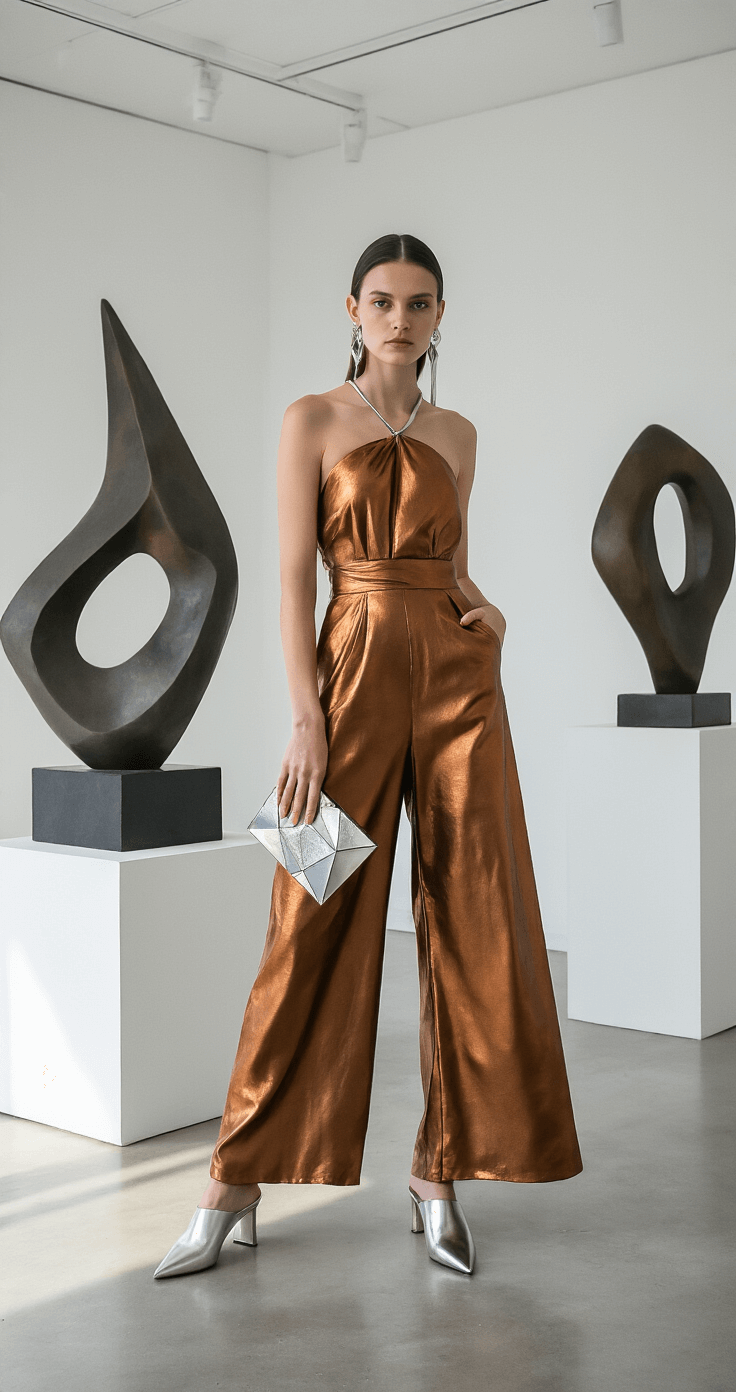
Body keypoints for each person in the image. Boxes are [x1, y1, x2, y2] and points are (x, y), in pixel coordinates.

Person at [154, 233, 582, 1281]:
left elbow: (455, 564)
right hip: (343, 684)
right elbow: (295, 580)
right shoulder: (311, 420)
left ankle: (438, 1174)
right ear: (352, 310)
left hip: (458, 688)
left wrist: (489, 619)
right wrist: (305, 721)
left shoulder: (460, 433)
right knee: (304, 920)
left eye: (420, 303)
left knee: (473, 918)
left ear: (441, 316)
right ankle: (233, 1182)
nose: (401, 318)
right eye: (383, 301)